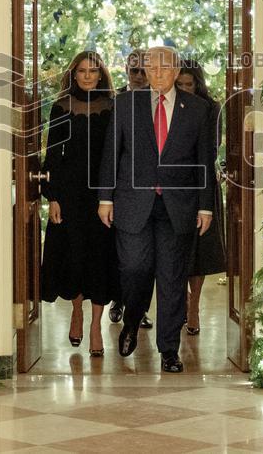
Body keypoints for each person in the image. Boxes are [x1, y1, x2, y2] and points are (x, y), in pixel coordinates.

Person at [98, 46, 214, 372]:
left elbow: (204, 160)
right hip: (133, 203)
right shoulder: (125, 104)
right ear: (144, 71)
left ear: (177, 71)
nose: (157, 73)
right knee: (134, 268)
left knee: (172, 278)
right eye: (151, 67)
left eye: (164, 67)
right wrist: (105, 198)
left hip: (178, 206)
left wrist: (206, 206)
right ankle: (132, 320)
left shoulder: (198, 109)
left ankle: (169, 350)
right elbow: (112, 154)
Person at [39, 51, 118, 357]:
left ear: (101, 75)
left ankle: (97, 326)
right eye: (82, 71)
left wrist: (113, 196)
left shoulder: (113, 107)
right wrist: (53, 196)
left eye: (92, 71)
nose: (87, 76)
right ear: (73, 74)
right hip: (69, 195)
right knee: (74, 257)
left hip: (103, 194)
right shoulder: (60, 107)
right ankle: (76, 311)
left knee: (100, 258)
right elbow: (52, 156)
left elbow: (119, 154)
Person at [176, 60, 226, 335]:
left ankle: (194, 305)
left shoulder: (211, 108)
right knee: (178, 247)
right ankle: (182, 300)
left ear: (198, 83)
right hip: (176, 186)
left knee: (201, 250)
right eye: (180, 84)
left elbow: (211, 146)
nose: (185, 89)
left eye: (189, 84)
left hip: (203, 182)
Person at [107, 48, 153, 330]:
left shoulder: (160, 101)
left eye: (142, 71)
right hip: (120, 191)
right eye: (133, 70)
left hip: (149, 193)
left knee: (145, 261)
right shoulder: (116, 100)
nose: (138, 76)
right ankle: (117, 300)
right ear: (126, 69)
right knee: (121, 255)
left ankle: (139, 310)